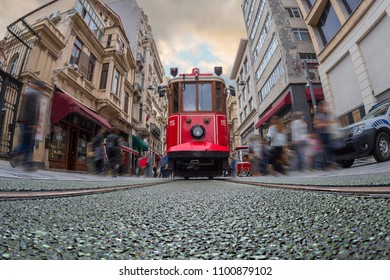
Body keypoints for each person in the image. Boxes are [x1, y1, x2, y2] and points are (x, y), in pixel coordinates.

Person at [10, 80, 45, 171]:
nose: (41, 89)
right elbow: (33, 109)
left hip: (24, 121)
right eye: (41, 87)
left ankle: (26, 163)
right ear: (38, 86)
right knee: (27, 144)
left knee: (27, 143)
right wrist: (33, 124)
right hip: (28, 122)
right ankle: (15, 153)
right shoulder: (34, 94)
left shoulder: (28, 93)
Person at [314, 101, 337, 169]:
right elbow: (319, 125)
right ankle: (320, 166)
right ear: (321, 107)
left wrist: (325, 123)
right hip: (322, 134)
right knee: (323, 150)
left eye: (326, 106)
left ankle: (330, 164)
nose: (325, 107)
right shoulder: (319, 115)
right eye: (324, 106)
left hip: (328, 133)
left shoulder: (327, 114)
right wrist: (326, 123)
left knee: (330, 149)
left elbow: (333, 122)